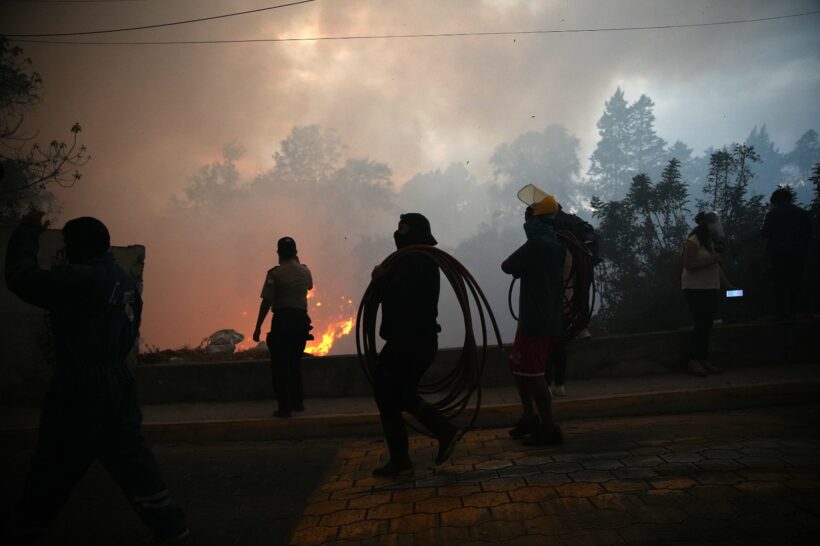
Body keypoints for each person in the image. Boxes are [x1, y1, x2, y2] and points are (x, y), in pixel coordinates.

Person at [3, 211, 188, 545]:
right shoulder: (124, 280)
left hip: (80, 385)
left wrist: (27, 232)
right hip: (117, 382)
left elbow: (21, 277)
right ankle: (171, 528)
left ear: (76, 247)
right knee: (133, 461)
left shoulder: (79, 279)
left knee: (54, 463)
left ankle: (26, 528)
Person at [370, 213, 463, 476]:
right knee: (397, 394)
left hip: (409, 340)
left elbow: (398, 297)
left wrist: (379, 279)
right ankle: (429, 439)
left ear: (414, 233)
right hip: (415, 339)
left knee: (387, 393)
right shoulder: (417, 260)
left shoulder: (415, 261)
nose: (397, 234)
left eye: (402, 229)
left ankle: (429, 440)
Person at [502, 196, 565, 446]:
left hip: (536, 322)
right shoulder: (555, 244)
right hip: (546, 319)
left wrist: (522, 267)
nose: (526, 222)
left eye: (528, 217)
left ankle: (548, 427)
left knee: (534, 373)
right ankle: (529, 417)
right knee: (518, 367)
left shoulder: (537, 244)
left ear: (537, 219)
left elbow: (507, 265)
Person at [253, 236, 313, 418]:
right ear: (296, 253)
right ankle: (298, 403)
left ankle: (284, 408)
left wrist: (258, 327)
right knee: (295, 362)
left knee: (281, 365)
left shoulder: (275, 274)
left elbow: (267, 301)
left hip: (283, 320)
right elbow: (309, 286)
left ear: (279, 253)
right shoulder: (305, 271)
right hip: (301, 321)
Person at [682, 211, 735, 376]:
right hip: (695, 288)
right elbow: (689, 265)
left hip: (711, 287)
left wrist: (728, 286)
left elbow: (716, 267)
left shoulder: (709, 242)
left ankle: (703, 359)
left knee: (707, 324)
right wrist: (712, 260)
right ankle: (693, 361)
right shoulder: (693, 241)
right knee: (700, 323)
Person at [760, 187, 812, 320]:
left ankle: (781, 314)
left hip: (778, 254)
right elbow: (809, 233)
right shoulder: (802, 213)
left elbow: (765, 233)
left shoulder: (773, 214)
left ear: (775, 201)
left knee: (780, 283)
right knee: (797, 282)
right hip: (799, 253)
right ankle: (796, 311)